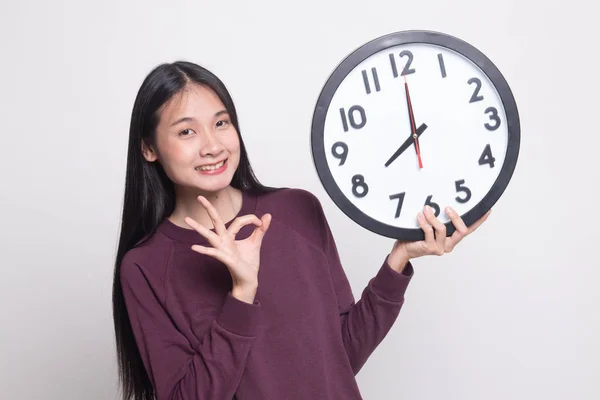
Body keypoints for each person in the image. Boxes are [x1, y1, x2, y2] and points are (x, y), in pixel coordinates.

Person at [112, 60, 490, 400]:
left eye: (221, 123)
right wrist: (242, 294)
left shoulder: (296, 210)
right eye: (186, 132)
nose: (212, 145)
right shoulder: (145, 266)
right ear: (149, 148)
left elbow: (341, 356)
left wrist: (399, 258)